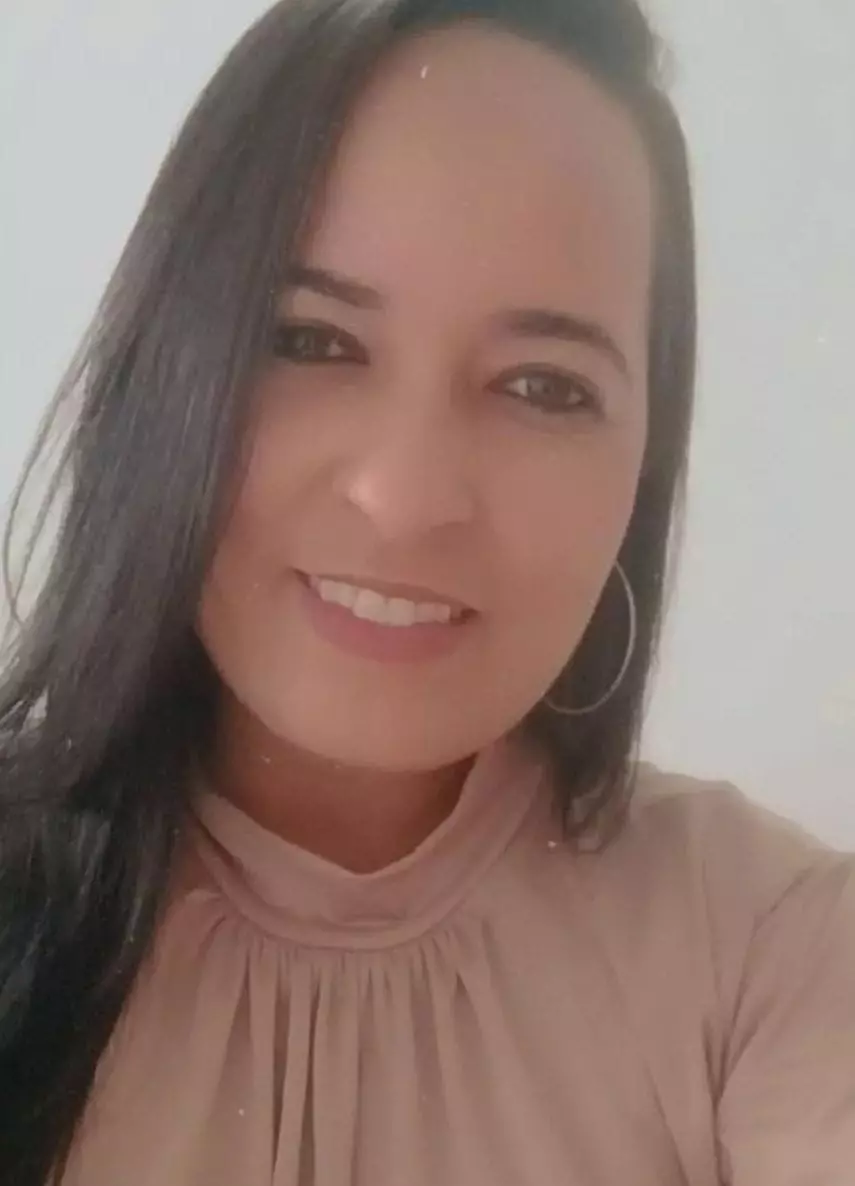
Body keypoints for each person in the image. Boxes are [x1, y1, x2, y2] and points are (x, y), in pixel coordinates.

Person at [0, 0, 852, 1182]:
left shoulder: (775, 946)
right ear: (168, 368)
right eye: (312, 340)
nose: (403, 498)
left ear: (642, 470)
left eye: (544, 386)